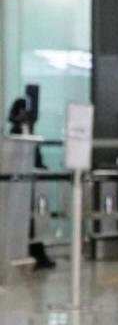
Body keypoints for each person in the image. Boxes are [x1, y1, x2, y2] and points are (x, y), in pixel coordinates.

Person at [7, 98, 55, 270]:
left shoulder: (28, 132)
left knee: (36, 219)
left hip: (31, 183)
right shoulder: (15, 133)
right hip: (21, 186)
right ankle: (33, 251)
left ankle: (36, 251)